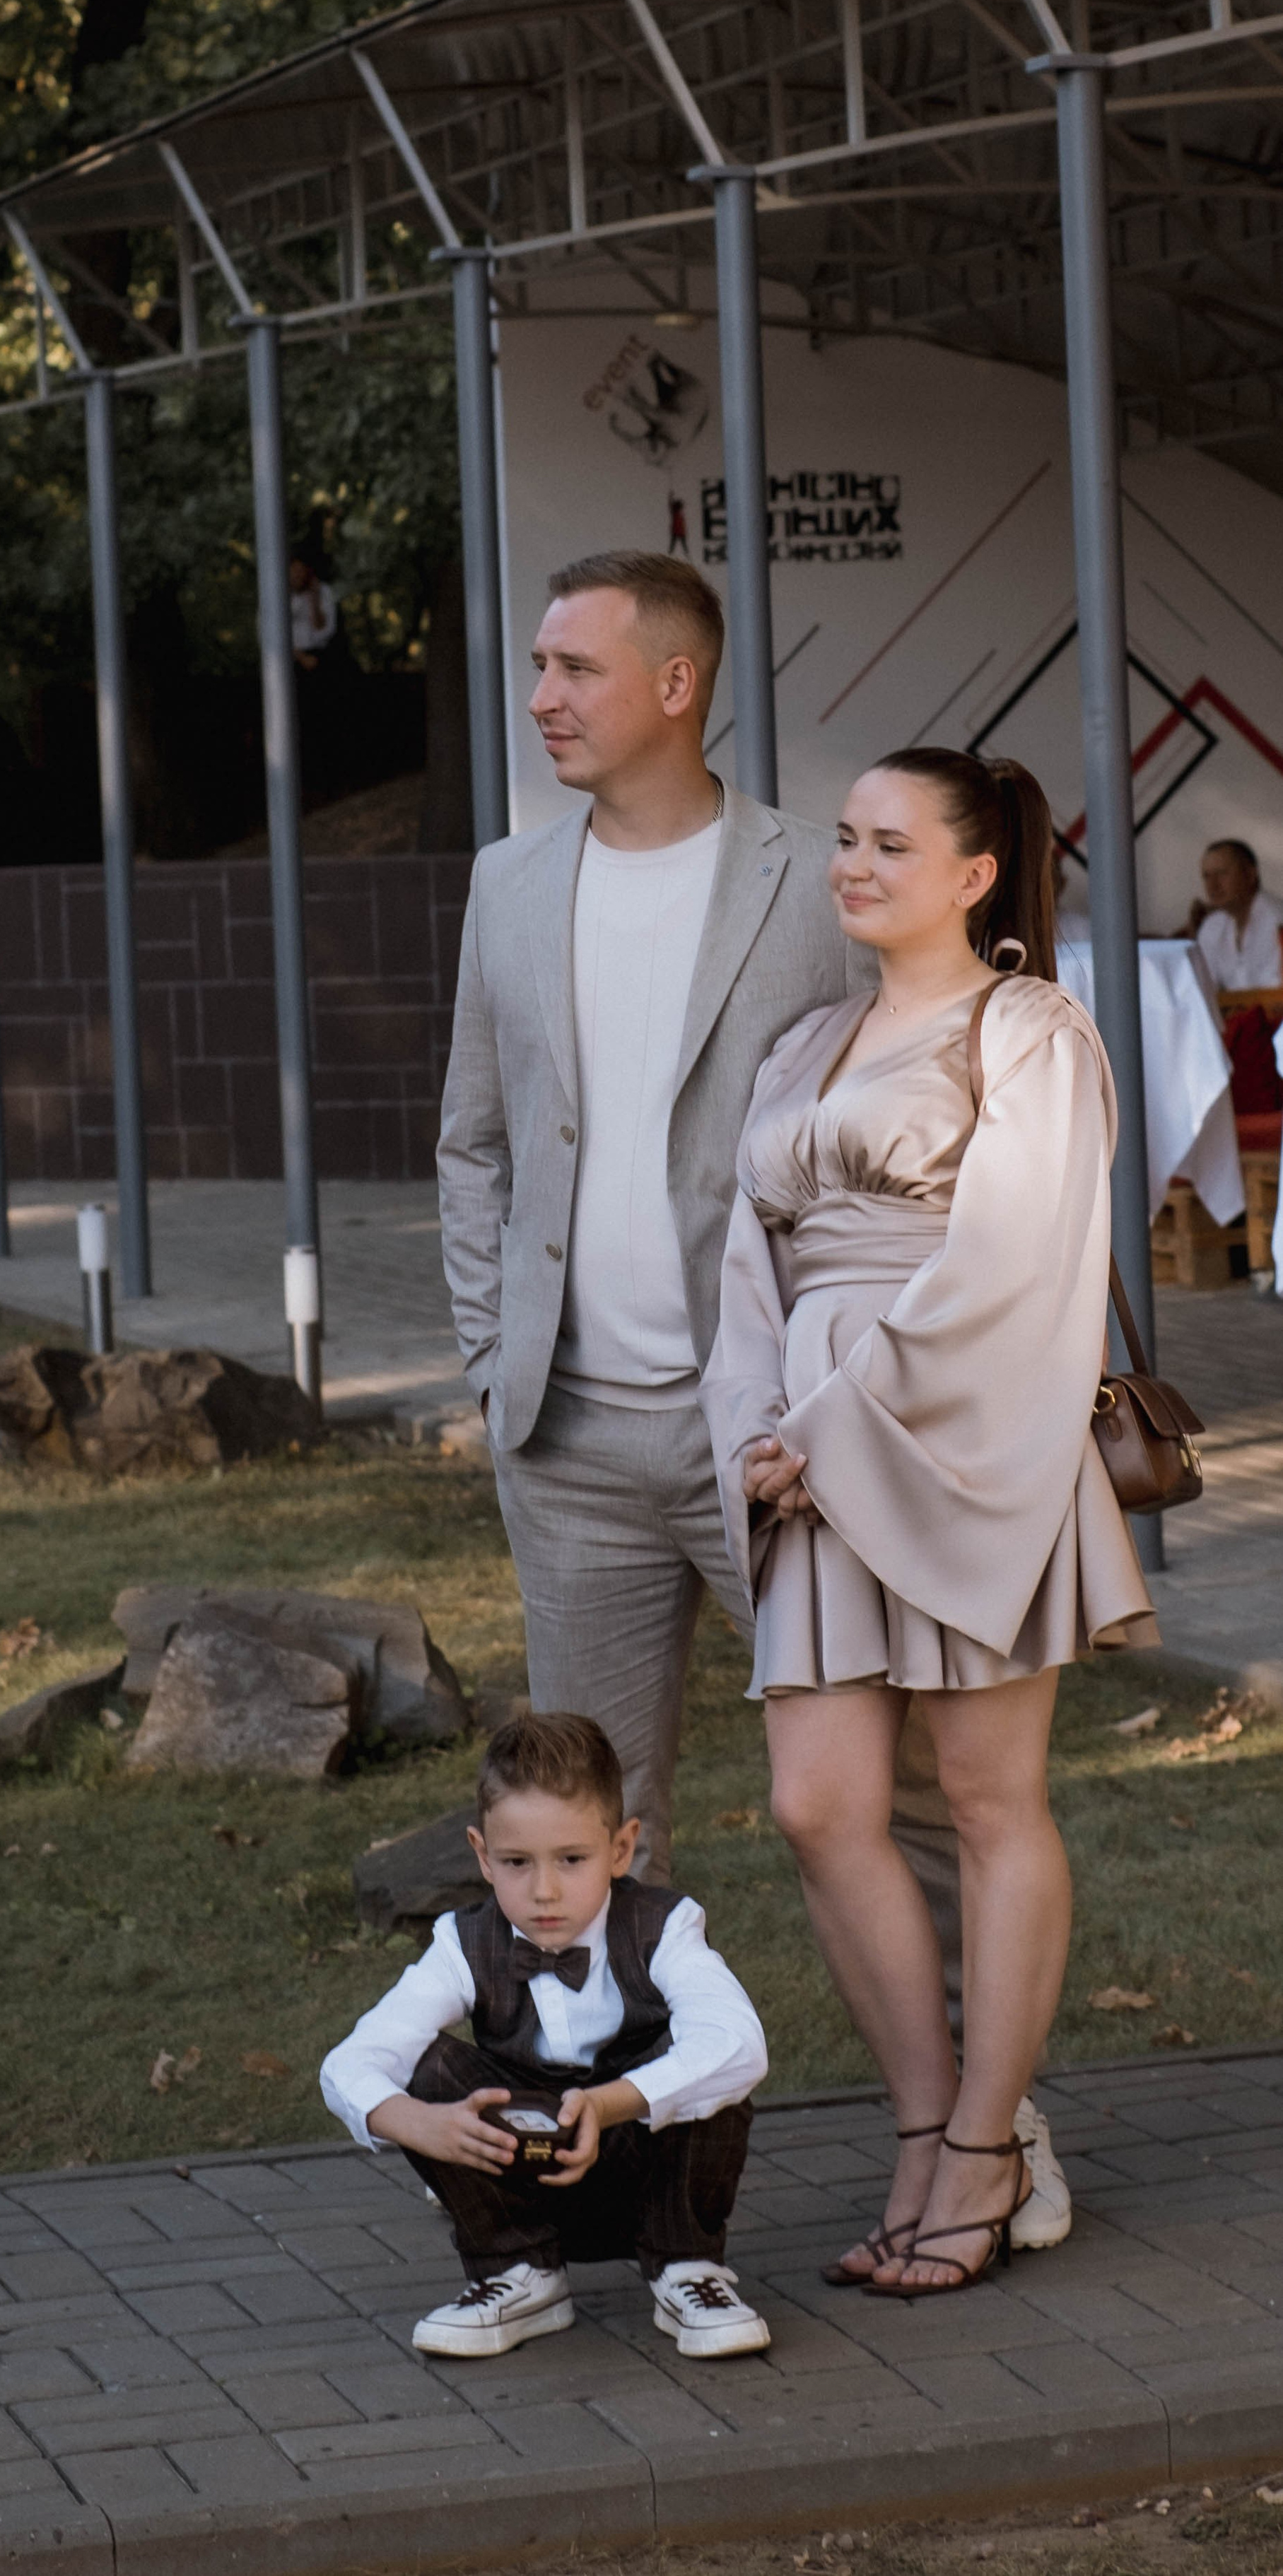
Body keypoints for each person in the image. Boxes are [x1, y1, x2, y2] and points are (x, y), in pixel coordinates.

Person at [436, 551, 1073, 2257]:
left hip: (802, 1442)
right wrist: (495, 1355)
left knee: (916, 1793)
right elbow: (473, 1140)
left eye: (573, 667)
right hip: (574, 1434)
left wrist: (830, 1415)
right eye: (536, 665)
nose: (540, 696)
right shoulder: (507, 883)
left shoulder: (814, 877)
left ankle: (994, 2124)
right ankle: (609, 2176)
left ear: (673, 684)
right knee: (583, 1826)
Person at [703, 749, 1158, 2297]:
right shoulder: (804, 1043)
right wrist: (756, 1427)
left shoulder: (1028, 1031)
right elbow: (748, 1266)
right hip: (802, 1445)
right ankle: (927, 2128)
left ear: (975, 875)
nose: (852, 863)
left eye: (889, 844)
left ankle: (981, 2146)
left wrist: (829, 1429)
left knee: (983, 1798)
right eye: (844, 838)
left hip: (963, 1435)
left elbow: (1014, 1262)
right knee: (819, 1806)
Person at [319, 1712, 770, 2360]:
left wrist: (608, 2104)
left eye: (572, 1859)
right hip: (519, 2176)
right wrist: (420, 2123)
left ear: (621, 1848)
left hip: (647, 2176)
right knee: (425, 2068)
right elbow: (348, 2064)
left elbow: (740, 2043)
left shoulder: (665, 1927)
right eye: (516, 1862)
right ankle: (518, 2273)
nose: (545, 1891)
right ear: (482, 1856)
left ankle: (688, 2271)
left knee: (707, 2062)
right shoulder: (463, 1944)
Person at [1190, 838, 1283, 991]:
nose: (1212, 885)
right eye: (1206, 876)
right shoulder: (1212, 926)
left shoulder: (1278, 919)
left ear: (1250, 874)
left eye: (1222, 874)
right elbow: (1202, 988)